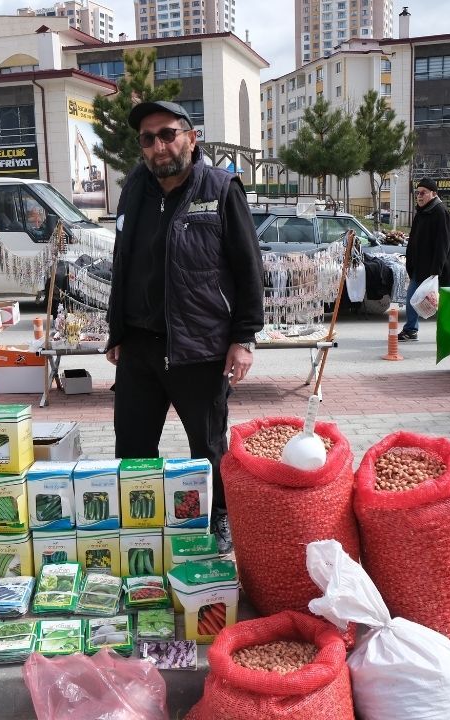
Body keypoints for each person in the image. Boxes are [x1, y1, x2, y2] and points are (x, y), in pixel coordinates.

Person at [105, 100, 264, 554]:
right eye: (147, 138)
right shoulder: (134, 189)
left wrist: (244, 337)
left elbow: (249, 267)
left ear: (192, 139)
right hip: (140, 345)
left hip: (200, 346)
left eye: (167, 134)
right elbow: (123, 263)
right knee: (132, 446)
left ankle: (219, 518)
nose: (158, 146)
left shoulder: (220, 188)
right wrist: (117, 331)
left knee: (208, 447)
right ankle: (141, 524)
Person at [399, 178, 450, 341]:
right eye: (418, 193)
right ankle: (411, 330)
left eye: (423, 193)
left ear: (434, 193)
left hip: (439, 270)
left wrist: (436, 271)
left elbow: (443, 245)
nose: (419, 196)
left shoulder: (440, 212)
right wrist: (410, 264)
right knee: (412, 299)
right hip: (420, 268)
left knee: (445, 305)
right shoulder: (422, 212)